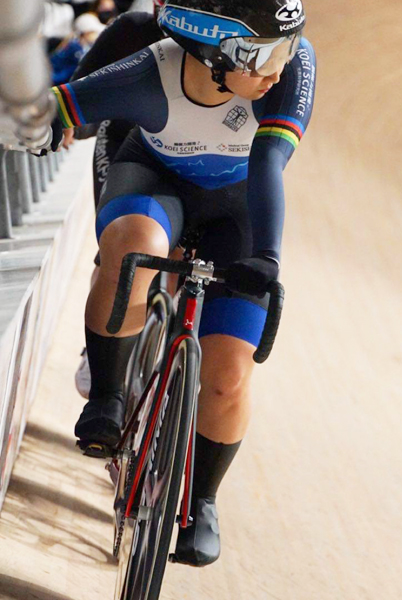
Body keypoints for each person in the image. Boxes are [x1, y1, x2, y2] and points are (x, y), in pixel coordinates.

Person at [50, 0, 315, 567]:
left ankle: (203, 500)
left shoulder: (288, 70)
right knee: (135, 248)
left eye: (286, 50)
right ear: (214, 50)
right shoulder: (151, 68)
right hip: (153, 180)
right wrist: (47, 124)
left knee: (228, 376)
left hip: (237, 208)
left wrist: (268, 258)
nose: (277, 70)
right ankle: (109, 393)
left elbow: (268, 162)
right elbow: (65, 106)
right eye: (262, 56)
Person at [68, 0, 165, 399]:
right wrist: (68, 122)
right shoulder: (134, 28)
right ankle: (98, 351)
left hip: (189, 163)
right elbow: (79, 93)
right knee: (119, 245)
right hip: (124, 143)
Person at [50, 13, 105, 84]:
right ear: (86, 33)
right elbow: (68, 71)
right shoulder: (75, 47)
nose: (97, 35)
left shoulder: (83, 46)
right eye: (94, 32)